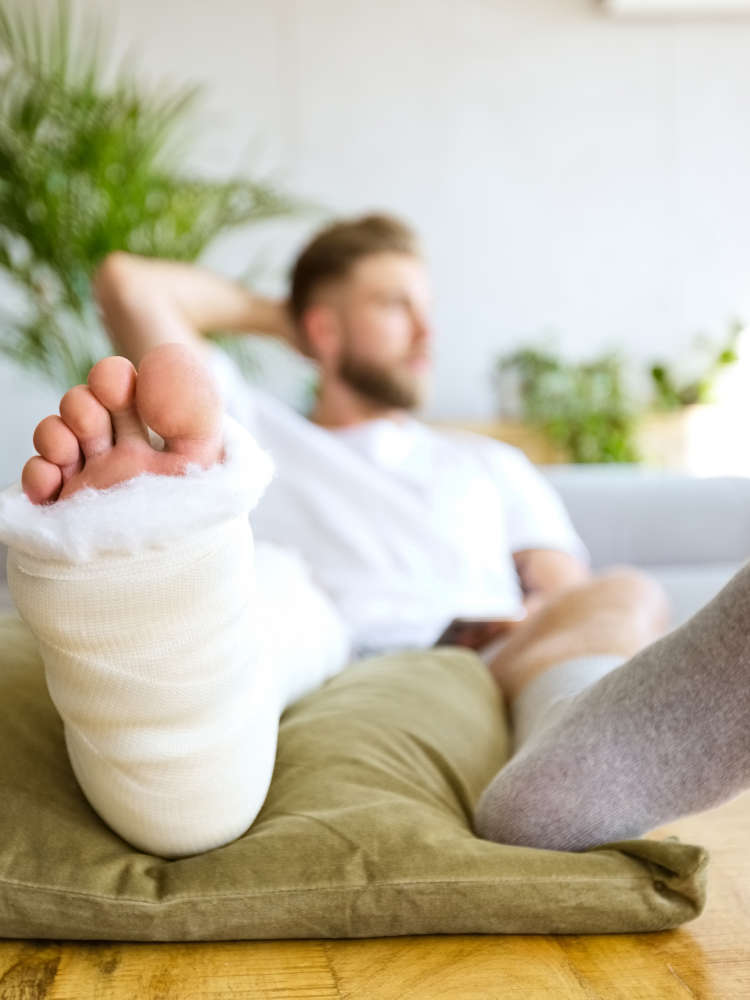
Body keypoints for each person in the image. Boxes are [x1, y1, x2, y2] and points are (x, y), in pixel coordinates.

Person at [1, 214, 748, 860]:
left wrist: (542, 615)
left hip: (488, 654)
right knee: (274, 580)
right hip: (325, 635)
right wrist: (286, 317)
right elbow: (128, 282)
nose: (427, 331)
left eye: (426, 307)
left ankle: (573, 761)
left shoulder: (488, 462)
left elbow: (561, 586)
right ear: (322, 327)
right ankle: (157, 636)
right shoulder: (253, 429)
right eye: (396, 305)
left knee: (622, 592)